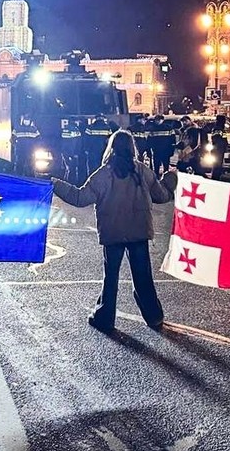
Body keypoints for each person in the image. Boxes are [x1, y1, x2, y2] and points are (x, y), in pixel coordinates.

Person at [51, 130, 176, 332]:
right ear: (132, 148)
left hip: (113, 232)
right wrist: (170, 180)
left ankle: (105, 318)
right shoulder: (141, 171)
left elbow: (80, 197)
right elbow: (161, 196)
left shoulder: (103, 174)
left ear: (111, 148)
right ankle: (154, 317)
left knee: (111, 278)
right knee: (143, 277)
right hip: (139, 231)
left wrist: (56, 184)